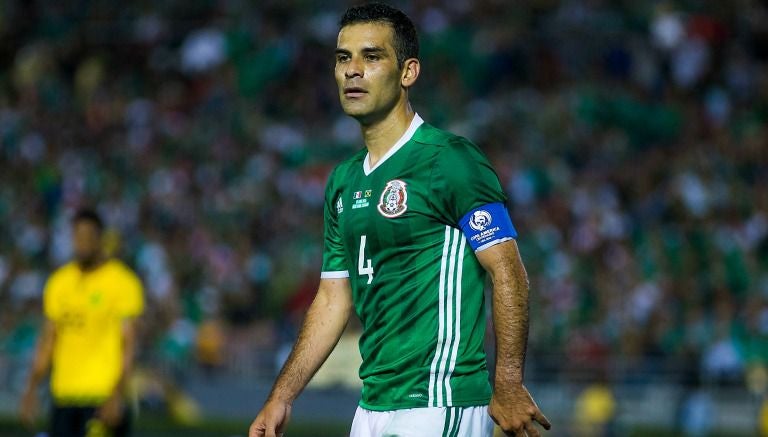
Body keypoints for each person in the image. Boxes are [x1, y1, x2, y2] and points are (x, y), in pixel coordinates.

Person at [249, 3, 550, 437]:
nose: (353, 70)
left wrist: (507, 382)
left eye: (371, 57)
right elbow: (334, 300)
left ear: (408, 72)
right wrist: (281, 396)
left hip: (438, 402)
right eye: (343, 58)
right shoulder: (344, 181)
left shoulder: (449, 160)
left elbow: (508, 270)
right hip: (371, 406)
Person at [20, 209, 144, 437]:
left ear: (100, 239)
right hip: (64, 396)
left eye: (88, 237)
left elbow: (128, 345)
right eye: (78, 237)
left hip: (101, 397)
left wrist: (117, 393)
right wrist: (31, 389)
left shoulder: (122, 283)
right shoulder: (59, 283)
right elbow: (48, 340)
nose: (82, 243)